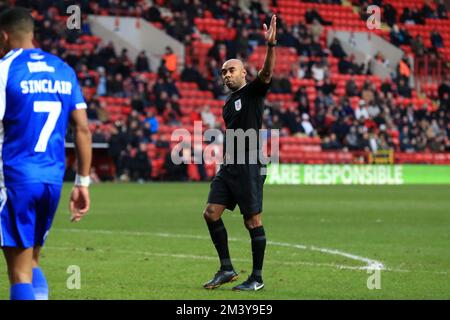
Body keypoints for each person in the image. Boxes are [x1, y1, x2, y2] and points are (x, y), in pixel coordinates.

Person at [0, 7, 92, 300]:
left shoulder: (4, 70)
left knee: (18, 273)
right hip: (52, 180)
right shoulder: (63, 69)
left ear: (3, 36)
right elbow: (82, 130)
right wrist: (83, 183)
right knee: (31, 261)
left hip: (15, 178)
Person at [202, 14, 277, 292]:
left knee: (252, 221)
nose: (226, 74)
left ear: (243, 73)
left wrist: (271, 46)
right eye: (223, 72)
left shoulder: (253, 92)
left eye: (230, 70)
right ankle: (226, 268)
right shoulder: (227, 103)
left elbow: (267, 74)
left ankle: (256, 278)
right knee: (211, 213)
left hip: (249, 165)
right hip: (230, 167)